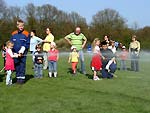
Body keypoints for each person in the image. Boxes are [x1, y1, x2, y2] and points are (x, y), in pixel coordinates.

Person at [10, 19, 30, 84]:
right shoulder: (13, 33)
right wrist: (11, 51)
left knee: (22, 65)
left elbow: (27, 43)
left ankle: (22, 80)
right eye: (20, 26)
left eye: (22, 26)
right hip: (15, 53)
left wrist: (22, 51)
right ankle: (18, 78)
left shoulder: (27, 33)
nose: (21, 27)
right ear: (17, 26)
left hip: (23, 53)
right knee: (17, 65)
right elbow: (11, 43)